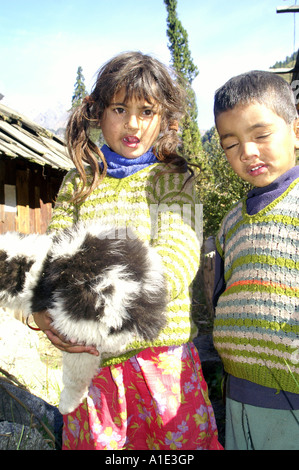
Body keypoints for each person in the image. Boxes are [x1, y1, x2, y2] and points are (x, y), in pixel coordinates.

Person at [32, 51, 222, 450]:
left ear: (164, 118)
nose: (133, 123)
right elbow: (53, 253)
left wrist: (105, 309)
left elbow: (178, 252)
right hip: (91, 365)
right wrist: (42, 309)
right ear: (98, 113)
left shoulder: (173, 179)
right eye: (120, 108)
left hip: (160, 360)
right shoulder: (79, 180)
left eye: (146, 111)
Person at [212, 70, 299, 450]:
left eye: (261, 135)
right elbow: (219, 293)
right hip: (239, 386)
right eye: (231, 144)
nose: (247, 152)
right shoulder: (230, 223)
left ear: (296, 130)